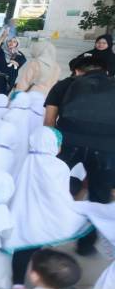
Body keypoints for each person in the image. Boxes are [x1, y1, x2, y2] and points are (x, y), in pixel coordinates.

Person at [46, 53, 115, 255]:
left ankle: (49, 233)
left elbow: (49, 122)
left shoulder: (64, 85)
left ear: (77, 71)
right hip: (105, 149)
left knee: (54, 188)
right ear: (106, 71)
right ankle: (85, 245)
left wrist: (52, 148)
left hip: (68, 144)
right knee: (98, 197)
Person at [7, 127, 89, 283]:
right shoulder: (59, 167)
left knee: (21, 249)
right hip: (44, 216)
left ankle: (16, 282)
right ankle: (37, 280)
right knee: (34, 246)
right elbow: (60, 195)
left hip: (21, 213)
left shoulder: (23, 159)